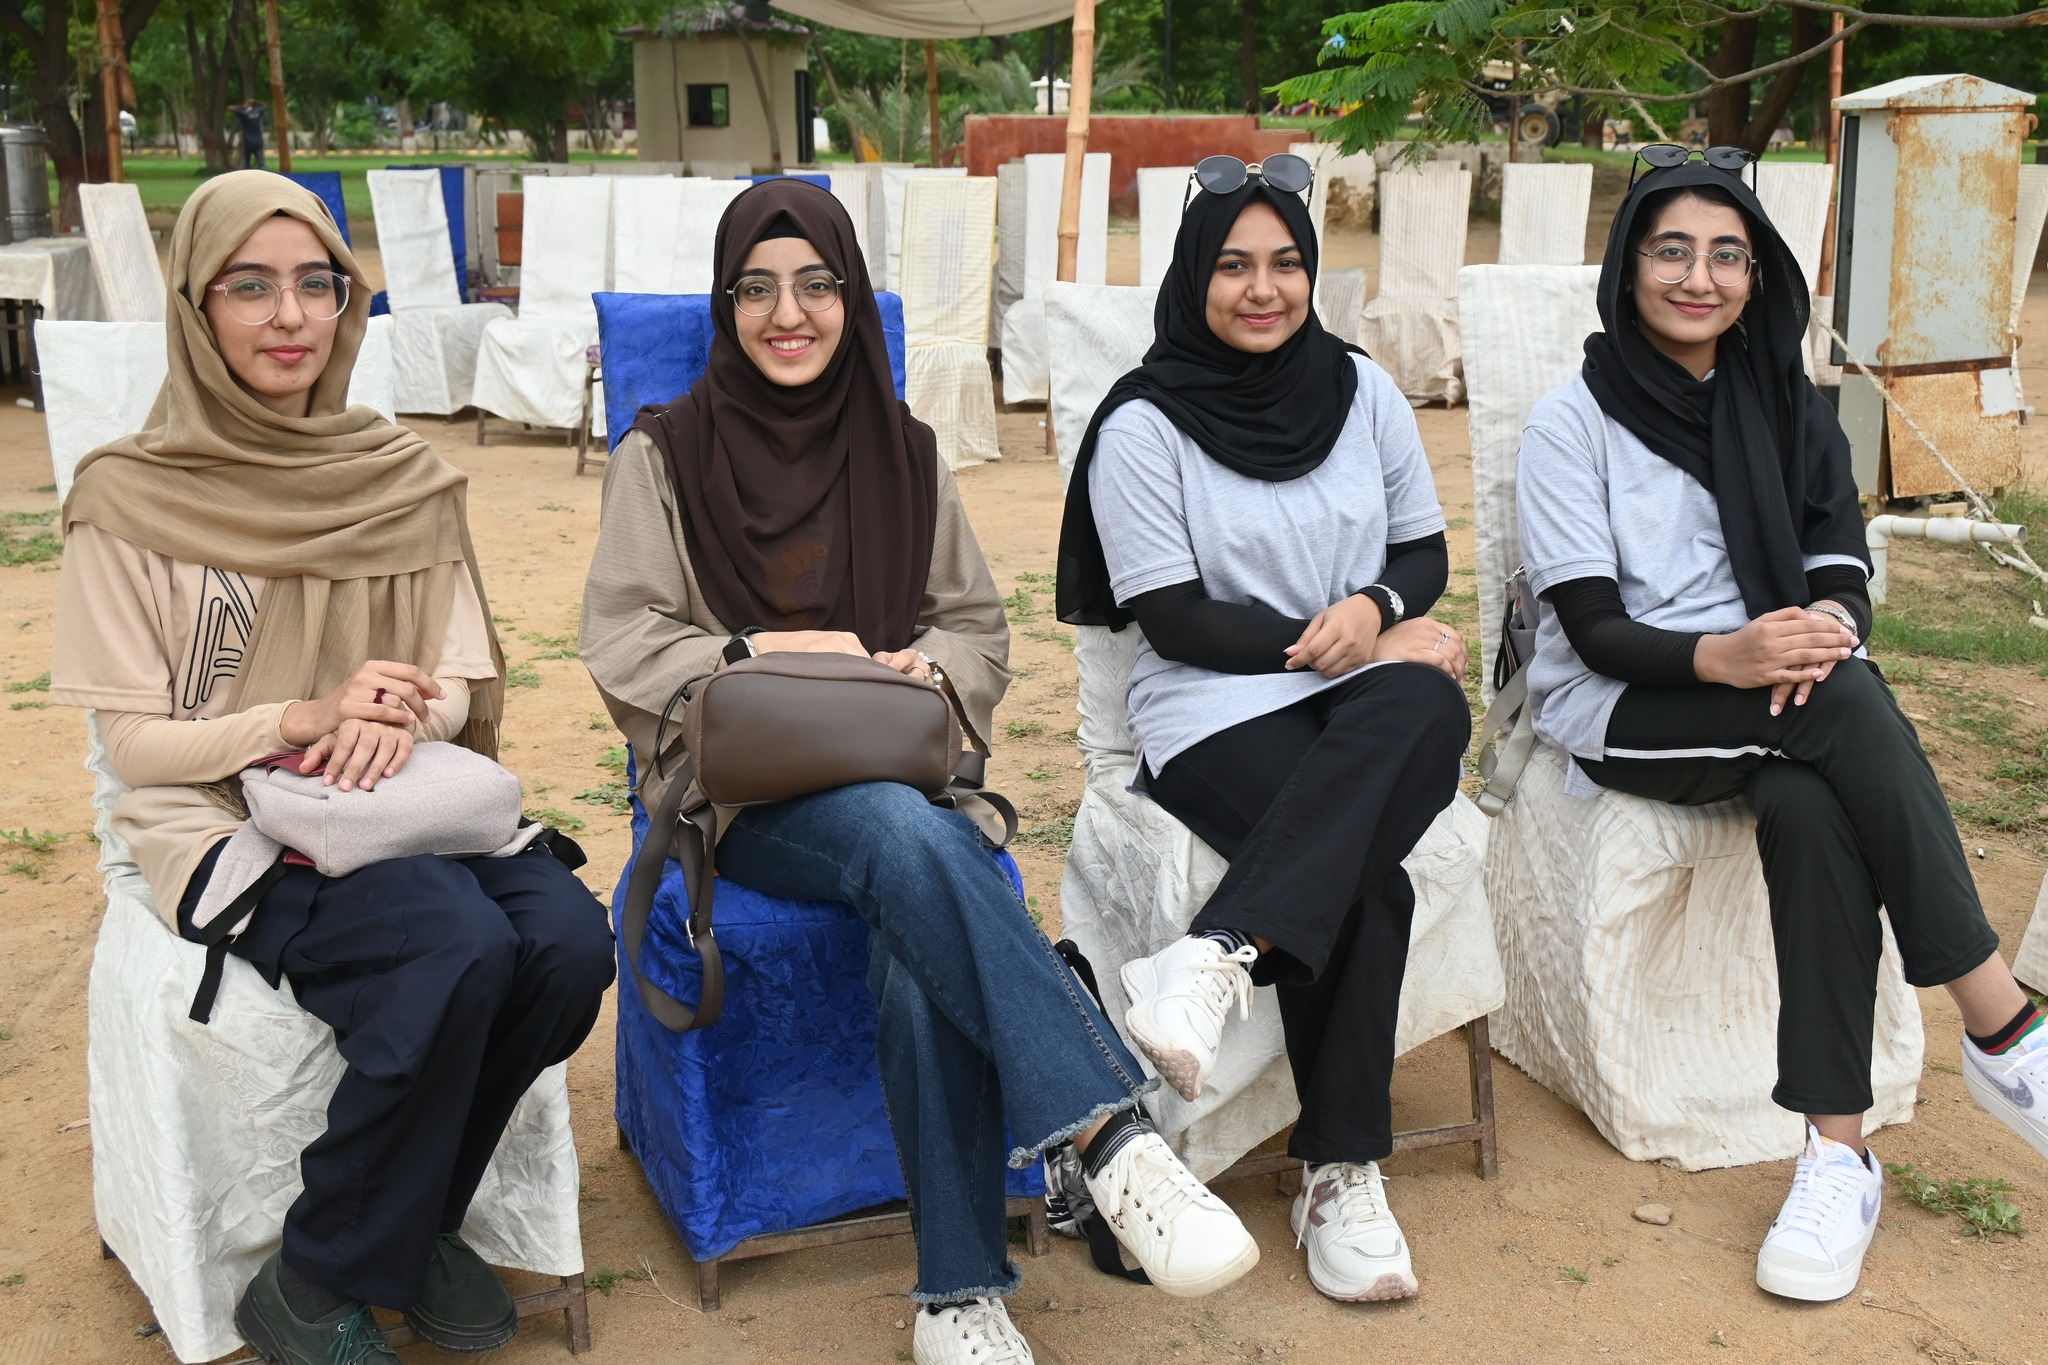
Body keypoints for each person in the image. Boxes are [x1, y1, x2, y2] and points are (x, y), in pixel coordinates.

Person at [580, 178, 1258, 1365]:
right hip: (744, 796)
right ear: (725, 305)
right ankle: (1107, 1137)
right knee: (908, 839)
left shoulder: (904, 452)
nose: (787, 314)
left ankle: (957, 1297)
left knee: (911, 896)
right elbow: (624, 635)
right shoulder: (662, 454)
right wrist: (762, 650)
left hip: (899, 771)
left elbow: (972, 624)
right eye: (756, 290)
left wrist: (925, 668)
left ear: (849, 298)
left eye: (816, 285)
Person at [50, 172, 615, 1364]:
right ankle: (322, 1279)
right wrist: (299, 716)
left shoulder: (398, 474)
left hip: (397, 794)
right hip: (225, 817)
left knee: (566, 945)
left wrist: (399, 712)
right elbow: (136, 747)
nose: (291, 316)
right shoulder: (130, 496)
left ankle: (384, 1232)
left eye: (318, 284)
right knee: (455, 944)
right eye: (249, 287)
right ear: (196, 308)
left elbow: (457, 677)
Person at [1513, 148, 2048, 1303]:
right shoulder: (1571, 423)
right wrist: (1732, 654)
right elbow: (1592, 629)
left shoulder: (1784, 405)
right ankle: (2002, 1028)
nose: (1696, 277)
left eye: (1725, 255)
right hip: (1631, 701)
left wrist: (1821, 630)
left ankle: (1833, 1157)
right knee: (1840, 705)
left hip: (1774, 700)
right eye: (1670, 250)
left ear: (1755, 277)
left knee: (1810, 803)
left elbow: (1836, 564)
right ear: (1627, 266)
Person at [1058, 157, 1474, 1305]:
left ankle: (1211, 958)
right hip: (1211, 709)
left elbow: (1421, 553)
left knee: (1431, 699)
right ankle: (1341, 1172)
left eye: (1285, 263)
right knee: (1368, 888)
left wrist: (1376, 610)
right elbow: (1174, 617)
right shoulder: (1141, 424)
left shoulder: (1363, 390)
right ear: (1194, 274)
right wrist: (1340, 639)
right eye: (1234, 265)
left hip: (1357, 701)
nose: (1262, 288)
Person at [232, 102, 266, 170]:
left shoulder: (244, 114)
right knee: (261, 163)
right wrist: (255, 101)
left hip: (248, 141)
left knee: (247, 163)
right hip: (258, 141)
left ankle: (247, 174)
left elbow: (231, 108)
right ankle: (264, 174)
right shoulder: (258, 112)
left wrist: (241, 106)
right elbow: (264, 105)